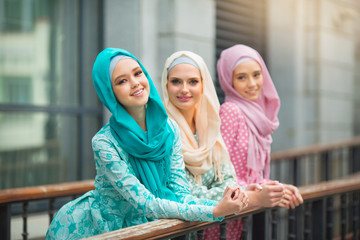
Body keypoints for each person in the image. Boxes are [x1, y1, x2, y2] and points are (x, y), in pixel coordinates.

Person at [45, 48, 250, 240]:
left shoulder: (169, 129)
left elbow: (180, 194)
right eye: (122, 81)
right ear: (110, 92)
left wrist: (221, 203)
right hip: (97, 228)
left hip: (148, 226)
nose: (135, 83)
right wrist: (215, 211)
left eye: (137, 73)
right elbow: (146, 203)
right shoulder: (104, 142)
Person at [161, 51, 288, 240]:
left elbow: (227, 178)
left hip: (206, 225)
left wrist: (245, 191)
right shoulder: (163, 131)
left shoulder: (209, 126)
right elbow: (184, 193)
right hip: (175, 231)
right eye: (176, 82)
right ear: (165, 84)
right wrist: (249, 196)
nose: (184, 89)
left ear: (204, 84)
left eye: (193, 82)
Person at [217, 44, 303, 210]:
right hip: (230, 210)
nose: (252, 83)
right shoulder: (230, 111)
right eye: (241, 77)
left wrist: (280, 188)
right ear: (229, 80)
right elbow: (220, 173)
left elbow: (253, 178)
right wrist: (260, 193)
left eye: (256, 75)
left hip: (248, 207)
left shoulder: (258, 116)